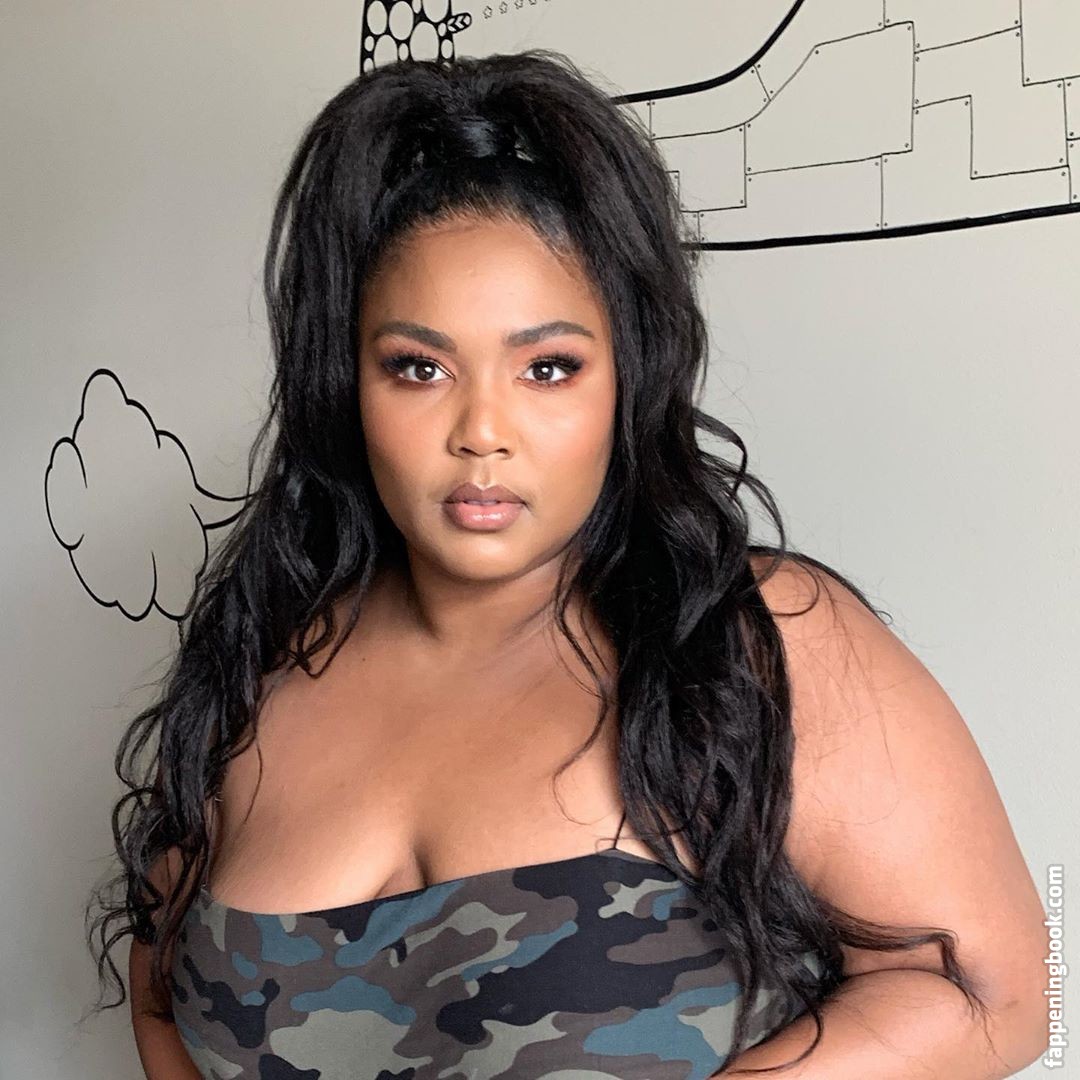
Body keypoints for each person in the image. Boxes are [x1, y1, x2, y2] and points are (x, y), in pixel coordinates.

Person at [84, 49, 1048, 1078]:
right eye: (419, 367)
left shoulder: (753, 644)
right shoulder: (260, 662)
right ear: (347, 383)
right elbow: (161, 999)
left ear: (626, 378)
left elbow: (999, 994)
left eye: (547, 368)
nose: (481, 431)